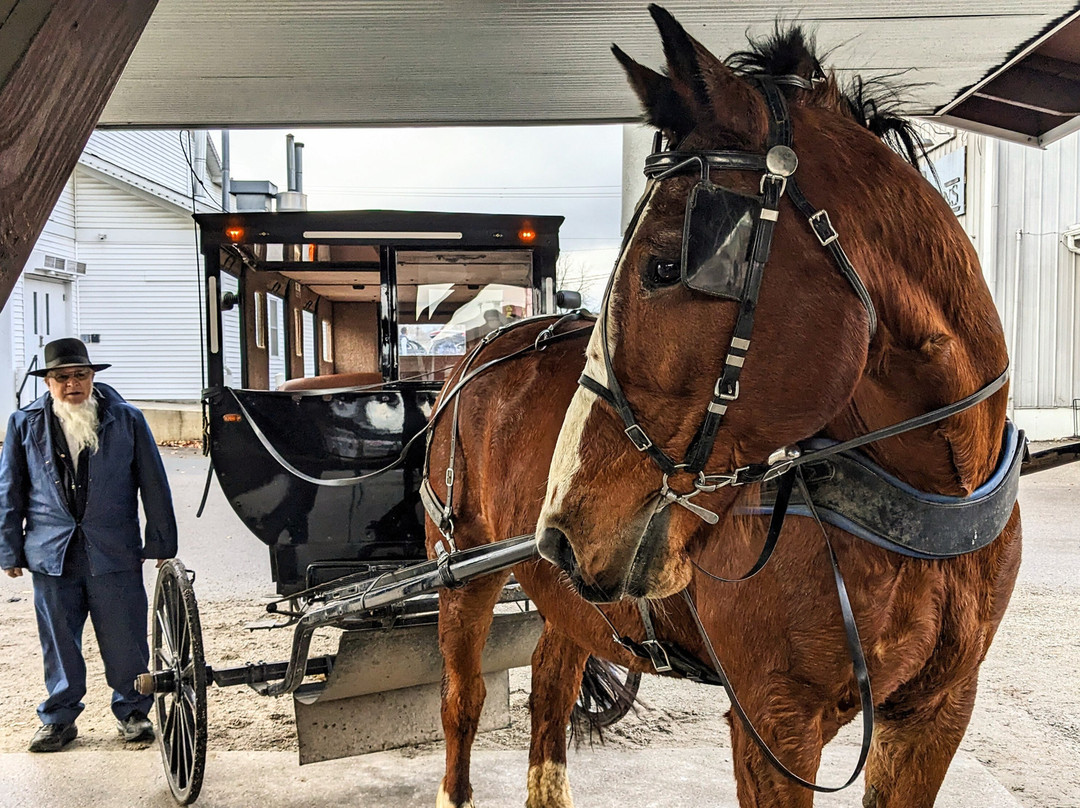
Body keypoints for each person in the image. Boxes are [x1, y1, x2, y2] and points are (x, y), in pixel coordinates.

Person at [0, 338, 177, 752]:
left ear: (92, 377)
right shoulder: (24, 423)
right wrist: (8, 550)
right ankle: (59, 719)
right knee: (59, 641)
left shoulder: (126, 419)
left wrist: (161, 542)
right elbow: (10, 491)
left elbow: (153, 482)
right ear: (48, 382)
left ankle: (133, 711)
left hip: (114, 549)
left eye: (80, 375)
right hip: (50, 552)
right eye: (61, 377)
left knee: (125, 636)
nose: (72, 384)